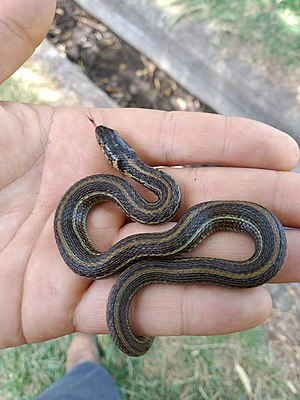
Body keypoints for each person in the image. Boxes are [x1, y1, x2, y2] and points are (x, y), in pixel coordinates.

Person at [0, 0, 299, 398]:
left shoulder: (162, 198)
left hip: (177, 230)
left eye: (109, 146)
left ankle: (85, 362)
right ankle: (89, 360)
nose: (105, 143)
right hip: (107, 248)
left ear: (119, 159)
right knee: (109, 265)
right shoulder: (151, 194)